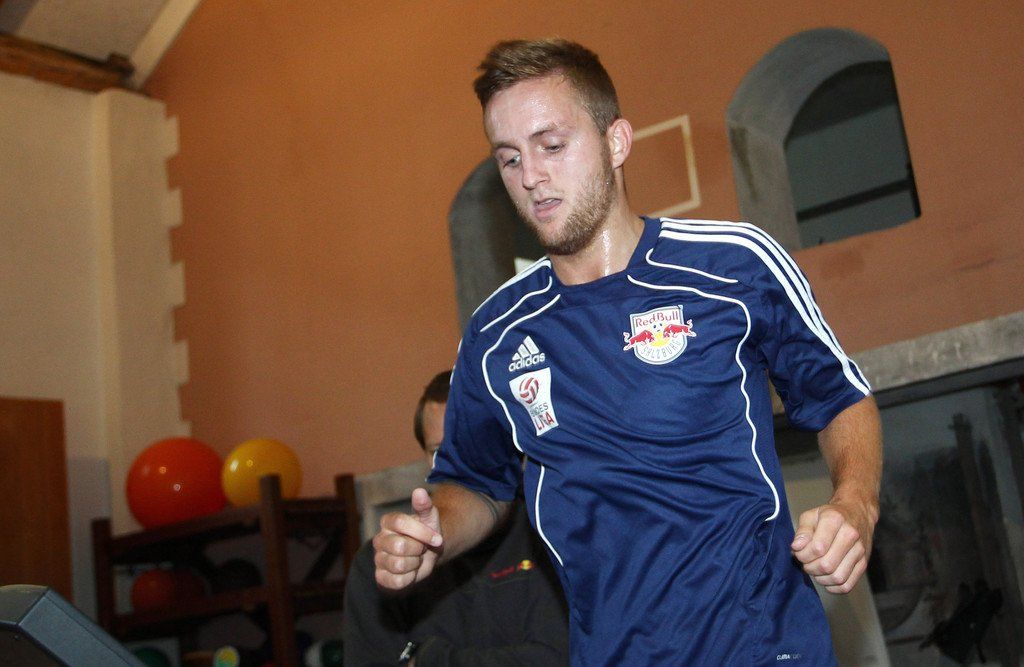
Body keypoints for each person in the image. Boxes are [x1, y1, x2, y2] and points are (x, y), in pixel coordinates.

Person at [373, 39, 883, 666]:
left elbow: (839, 398)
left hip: (761, 646)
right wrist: (436, 532)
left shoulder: (734, 265)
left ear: (616, 142)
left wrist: (855, 504)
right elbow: (475, 483)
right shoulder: (495, 335)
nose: (530, 176)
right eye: (509, 158)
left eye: (551, 145)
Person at [343, 371, 569, 666]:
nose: (456, 464)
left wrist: (426, 659)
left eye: (472, 445)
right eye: (439, 451)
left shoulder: (553, 536)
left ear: (511, 447)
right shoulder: (388, 563)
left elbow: (564, 658)